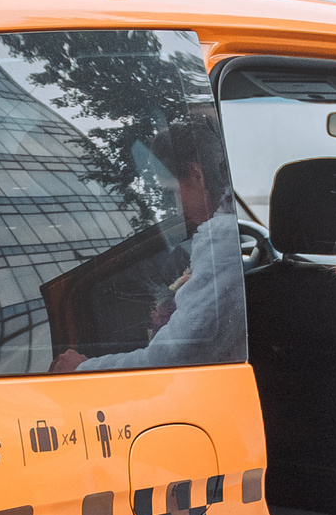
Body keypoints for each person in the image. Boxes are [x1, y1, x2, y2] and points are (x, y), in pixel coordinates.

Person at [53, 119, 243, 372]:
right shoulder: (238, 227)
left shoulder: (223, 236)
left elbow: (179, 354)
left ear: (196, 175)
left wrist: (83, 368)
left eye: (174, 192)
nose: (178, 207)